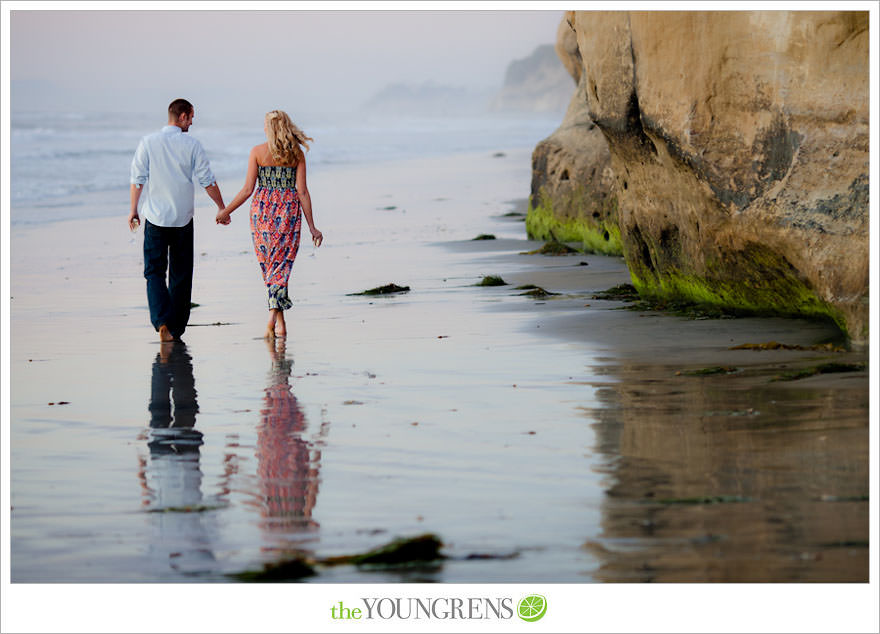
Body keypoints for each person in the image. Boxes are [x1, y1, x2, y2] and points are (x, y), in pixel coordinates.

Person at [216, 110, 322, 339]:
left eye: (265, 125)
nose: (263, 128)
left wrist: (226, 211)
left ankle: (272, 321)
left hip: (262, 214)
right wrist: (312, 226)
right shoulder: (297, 154)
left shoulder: (257, 152)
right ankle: (279, 321)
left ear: (270, 128)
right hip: (288, 214)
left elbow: (247, 190)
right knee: (280, 268)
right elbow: (302, 191)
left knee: (270, 267)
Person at [129, 98, 225, 342]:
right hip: (182, 218)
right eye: (191, 117)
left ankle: (161, 321)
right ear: (182, 116)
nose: (192, 122)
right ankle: (175, 328)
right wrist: (221, 207)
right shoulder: (192, 145)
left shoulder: (148, 142)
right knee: (181, 273)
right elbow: (207, 181)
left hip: (155, 218)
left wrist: (133, 210)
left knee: (154, 271)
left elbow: (137, 179)